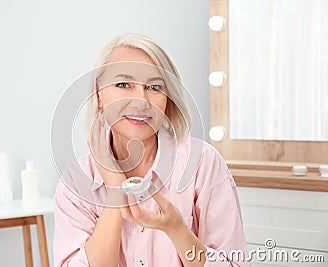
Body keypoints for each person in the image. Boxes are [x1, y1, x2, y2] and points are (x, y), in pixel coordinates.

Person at [53, 33, 250, 267]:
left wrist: (177, 229)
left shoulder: (202, 164)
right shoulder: (76, 182)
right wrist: (115, 190)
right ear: (99, 95)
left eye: (154, 87)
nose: (140, 100)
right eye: (123, 84)